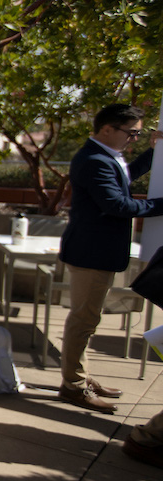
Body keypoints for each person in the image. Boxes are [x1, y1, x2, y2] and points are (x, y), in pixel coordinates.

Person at [56, 103, 163, 413]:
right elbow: (117, 205)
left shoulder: (105, 156)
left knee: (87, 320)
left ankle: (80, 377)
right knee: (83, 321)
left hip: (95, 251)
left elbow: (126, 178)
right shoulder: (94, 161)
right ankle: (74, 386)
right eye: (132, 133)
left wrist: (154, 152)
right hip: (92, 253)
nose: (134, 139)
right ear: (107, 129)